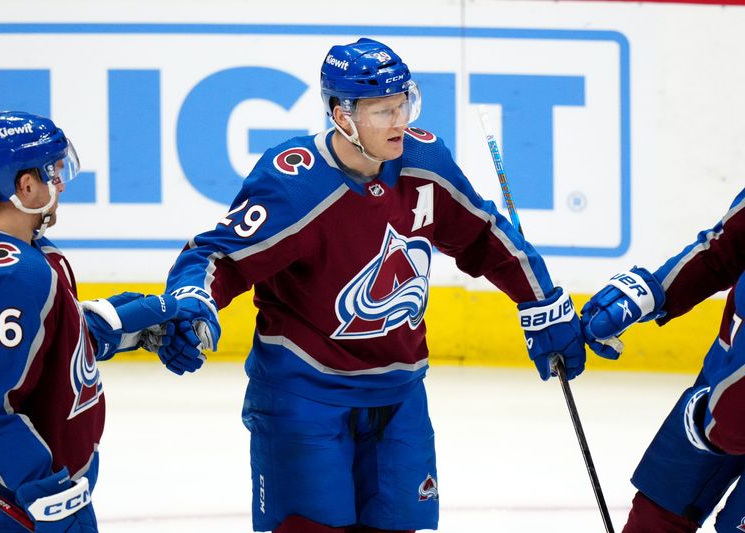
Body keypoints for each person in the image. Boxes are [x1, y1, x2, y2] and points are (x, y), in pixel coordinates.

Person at [161, 38, 586, 533]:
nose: (400, 120)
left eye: (404, 103)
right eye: (384, 110)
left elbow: (484, 234)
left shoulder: (425, 163)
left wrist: (542, 301)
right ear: (343, 116)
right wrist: (191, 303)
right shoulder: (295, 185)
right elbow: (217, 256)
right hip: (305, 399)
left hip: (399, 393)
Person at [0, 111, 209, 532]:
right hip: (4, 502)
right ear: (24, 186)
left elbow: (38, 347)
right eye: (52, 172)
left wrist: (123, 328)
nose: (61, 183)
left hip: (18, 489)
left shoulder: (17, 251)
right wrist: (49, 496)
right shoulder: (10, 275)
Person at [581, 187, 745, 532]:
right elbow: (724, 248)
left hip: (725, 406)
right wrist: (652, 292)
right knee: (656, 516)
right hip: (721, 377)